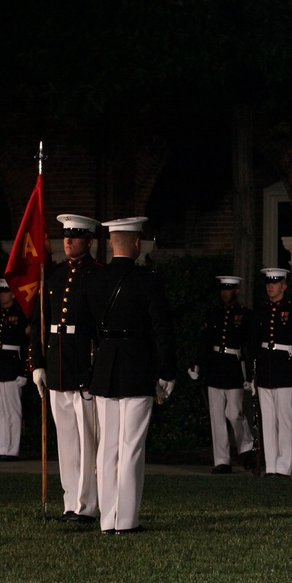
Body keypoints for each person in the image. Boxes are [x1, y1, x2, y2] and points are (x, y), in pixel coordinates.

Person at [81, 216, 176, 533]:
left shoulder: (94, 280)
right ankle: (127, 519)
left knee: (107, 447)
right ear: (136, 243)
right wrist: (167, 370)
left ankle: (108, 519)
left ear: (111, 243)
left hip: (106, 365)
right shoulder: (147, 280)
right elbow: (162, 329)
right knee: (131, 445)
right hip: (137, 364)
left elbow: (87, 331)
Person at [30, 214, 102, 523]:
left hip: (82, 366)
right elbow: (39, 323)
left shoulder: (97, 275)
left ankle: (87, 505)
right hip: (57, 365)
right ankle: (70, 502)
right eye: (66, 235)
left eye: (75, 235)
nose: (68, 240)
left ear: (89, 241)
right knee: (67, 441)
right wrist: (37, 363)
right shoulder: (54, 275)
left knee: (87, 442)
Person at [188, 275, 255, 474]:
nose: (226, 293)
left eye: (229, 289)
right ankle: (222, 460)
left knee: (234, 413)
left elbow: (249, 346)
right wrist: (197, 364)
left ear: (237, 291)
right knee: (216, 416)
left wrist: (250, 375)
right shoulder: (214, 313)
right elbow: (205, 341)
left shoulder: (245, 315)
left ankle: (247, 446)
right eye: (223, 289)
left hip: (234, 367)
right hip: (216, 366)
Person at [252, 267, 292, 477]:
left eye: (275, 283)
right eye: (268, 283)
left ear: (284, 286)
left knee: (284, 418)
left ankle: (284, 466)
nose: (271, 286)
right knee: (267, 419)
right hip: (265, 367)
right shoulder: (260, 310)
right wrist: (252, 375)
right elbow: (254, 343)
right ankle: (271, 465)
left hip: (285, 367)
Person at [0, 279, 31, 461]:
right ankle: (1, 449)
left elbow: (26, 344)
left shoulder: (20, 316)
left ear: (13, 294)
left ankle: (12, 450)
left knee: (13, 411)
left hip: (12, 367)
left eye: (5, 291)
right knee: (0, 412)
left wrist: (24, 371)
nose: (2, 295)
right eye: (0, 291)